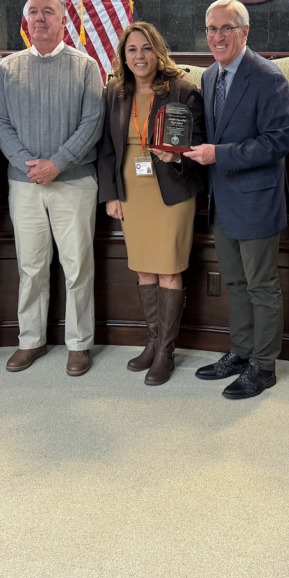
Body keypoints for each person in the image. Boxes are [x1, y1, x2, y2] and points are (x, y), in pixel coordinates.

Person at [0, 0, 104, 376]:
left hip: (73, 182)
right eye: (34, 12)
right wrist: (29, 165)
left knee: (77, 266)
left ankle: (78, 344)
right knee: (32, 266)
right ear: (26, 19)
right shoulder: (8, 69)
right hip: (24, 184)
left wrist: (56, 164)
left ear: (63, 19)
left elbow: (92, 125)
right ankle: (31, 341)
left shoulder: (86, 66)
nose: (40, 18)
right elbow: (2, 124)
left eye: (48, 12)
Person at [186, 0, 289, 399]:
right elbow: (208, 138)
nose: (216, 36)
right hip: (222, 199)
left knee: (261, 285)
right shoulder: (210, 76)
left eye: (225, 28)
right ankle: (243, 351)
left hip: (257, 199)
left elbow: (277, 142)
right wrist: (178, 151)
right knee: (234, 281)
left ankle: (264, 367)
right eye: (211, 28)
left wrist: (220, 154)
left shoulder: (268, 76)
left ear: (244, 32)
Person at [97, 22, 206, 385]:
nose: (139, 56)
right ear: (123, 56)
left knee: (169, 269)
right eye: (132, 50)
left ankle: (166, 351)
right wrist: (110, 194)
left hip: (171, 189)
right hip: (132, 189)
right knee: (143, 268)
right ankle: (153, 340)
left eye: (146, 48)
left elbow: (200, 144)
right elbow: (107, 148)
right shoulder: (115, 91)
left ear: (157, 51)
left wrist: (177, 158)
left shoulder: (183, 90)